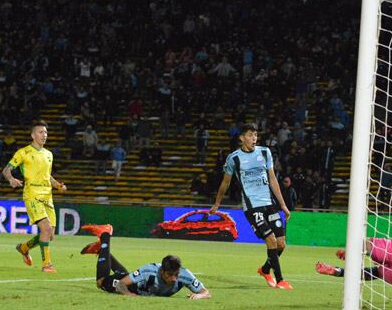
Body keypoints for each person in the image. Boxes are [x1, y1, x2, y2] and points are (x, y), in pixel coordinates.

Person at [210, 123, 293, 290]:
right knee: (270, 240)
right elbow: (225, 183)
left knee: (281, 244)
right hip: (252, 206)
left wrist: (283, 205)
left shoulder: (265, 152)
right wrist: (217, 203)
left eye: (255, 135)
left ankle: (264, 270)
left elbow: (272, 180)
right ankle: (281, 280)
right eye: (250, 135)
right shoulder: (234, 158)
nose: (254, 138)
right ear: (242, 138)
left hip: (269, 203)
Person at [2, 120, 67, 273]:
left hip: (47, 196)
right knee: (44, 228)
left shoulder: (49, 154)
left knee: (49, 234)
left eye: (46, 132)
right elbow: (6, 170)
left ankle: (24, 248)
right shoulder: (23, 152)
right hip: (32, 194)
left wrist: (57, 185)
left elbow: (47, 176)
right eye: (41, 132)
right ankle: (47, 265)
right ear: (33, 135)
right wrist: (11, 179)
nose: (44, 135)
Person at [79, 224, 210, 299]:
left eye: (176, 274)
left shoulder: (184, 275)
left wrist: (199, 296)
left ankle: (101, 250)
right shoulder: (149, 271)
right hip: (132, 287)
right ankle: (105, 235)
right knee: (101, 281)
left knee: (126, 274)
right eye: (170, 275)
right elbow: (120, 284)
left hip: (137, 284)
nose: (174, 278)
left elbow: (206, 292)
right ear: (162, 271)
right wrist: (128, 293)